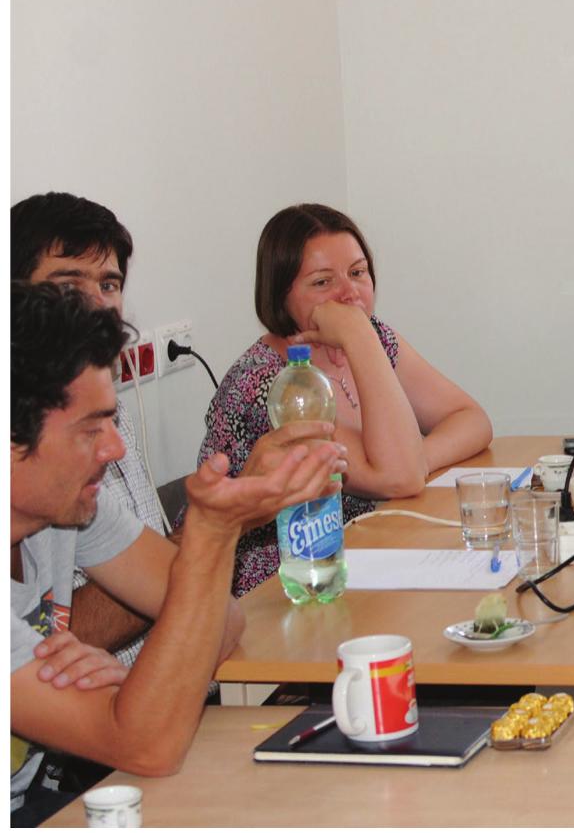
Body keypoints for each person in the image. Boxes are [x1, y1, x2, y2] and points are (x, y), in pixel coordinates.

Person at [10, 282, 344, 824]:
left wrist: (140, 689)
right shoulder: (67, 502)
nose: (115, 448)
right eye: (90, 428)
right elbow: (148, 747)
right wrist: (213, 531)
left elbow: (224, 622)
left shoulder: (69, 508)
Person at [195, 203, 492, 596]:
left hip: (369, 557)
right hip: (284, 589)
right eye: (322, 282)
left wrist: (419, 458)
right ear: (281, 294)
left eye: (357, 273)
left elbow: (472, 419)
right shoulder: (272, 382)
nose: (349, 293)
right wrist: (357, 337)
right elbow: (397, 476)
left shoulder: (373, 337)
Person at [11, 193, 164, 673]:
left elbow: (181, 591)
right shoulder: (37, 450)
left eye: (110, 283)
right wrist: (211, 533)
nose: (99, 305)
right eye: (70, 284)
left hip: (145, 692)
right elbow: (54, 638)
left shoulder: (103, 407)